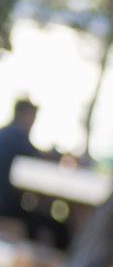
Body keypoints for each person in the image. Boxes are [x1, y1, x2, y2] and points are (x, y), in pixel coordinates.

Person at [0, 100, 67, 250]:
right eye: (32, 116)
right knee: (54, 227)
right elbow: (40, 157)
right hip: (5, 206)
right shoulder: (16, 135)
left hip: (7, 202)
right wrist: (61, 157)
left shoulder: (5, 133)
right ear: (23, 114)